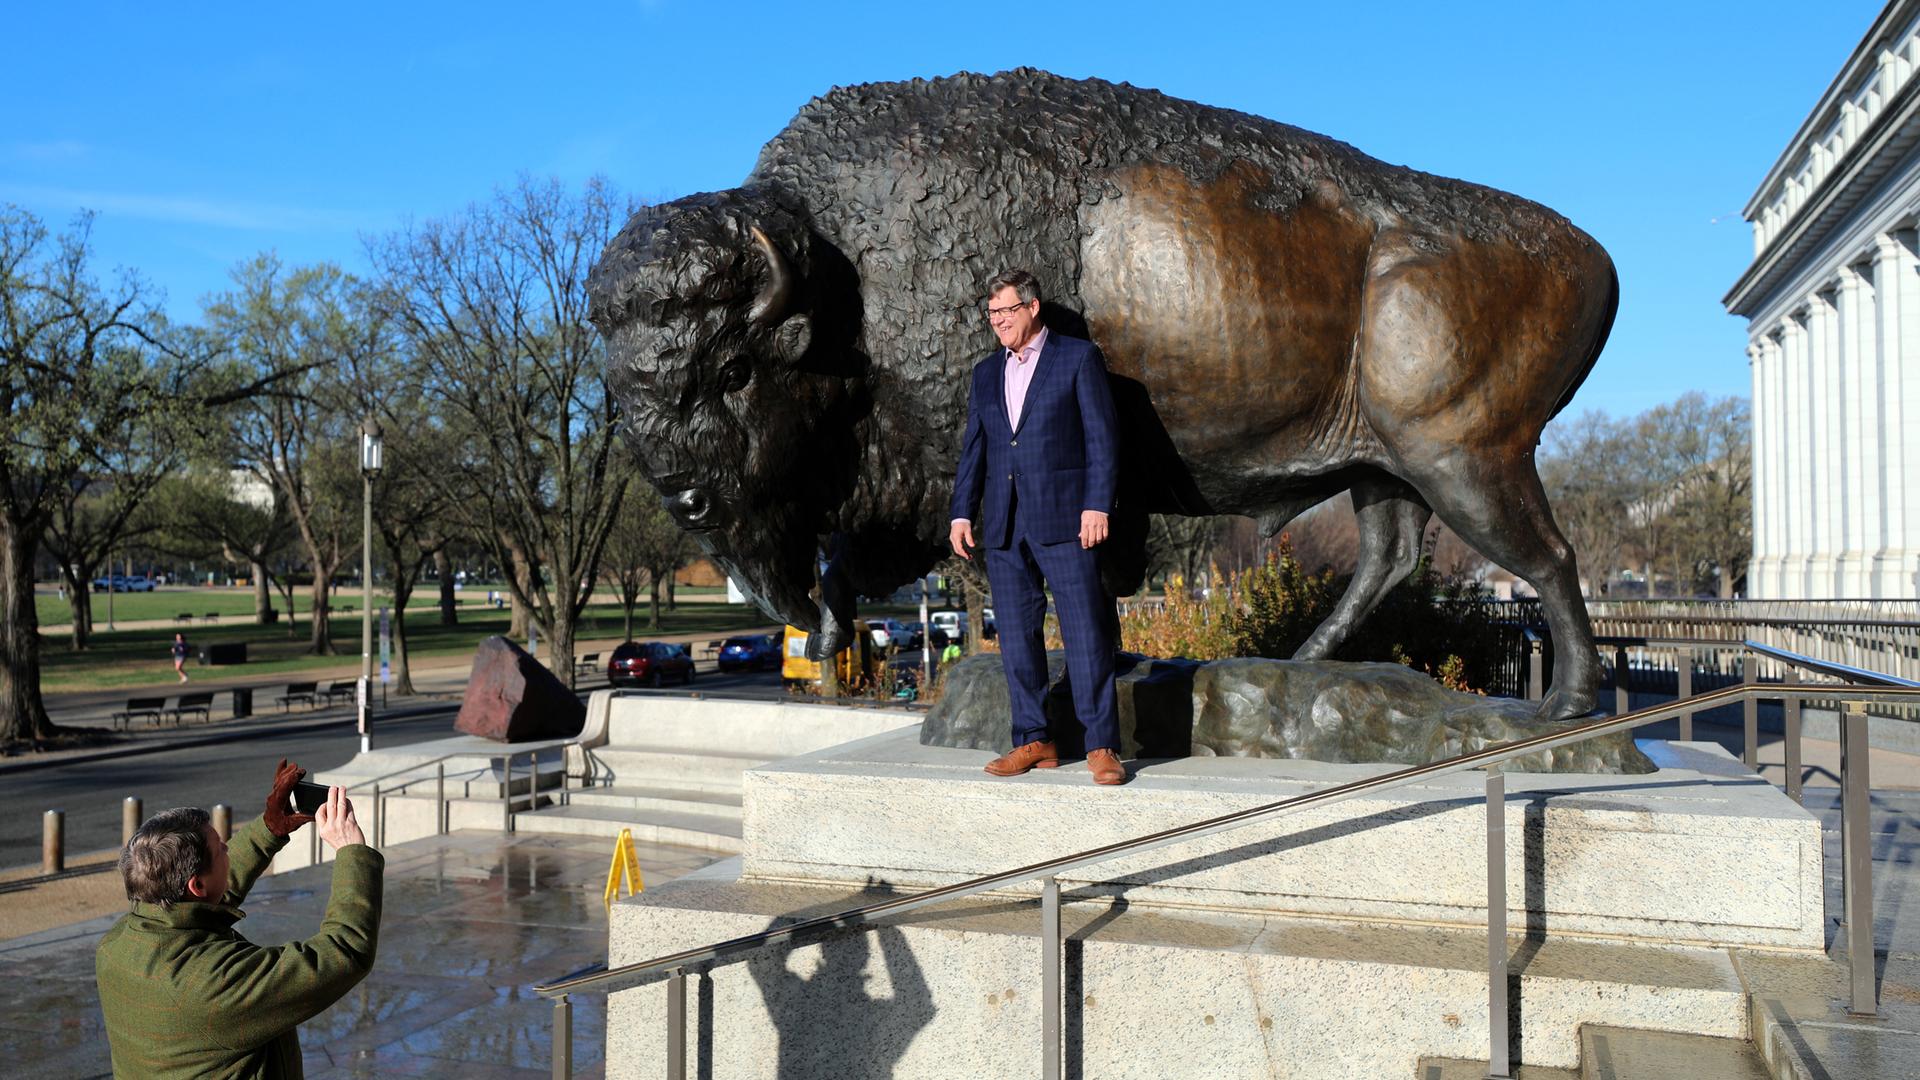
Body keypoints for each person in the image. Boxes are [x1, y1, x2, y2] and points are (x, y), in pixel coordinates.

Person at [950, 268, 1126, 785]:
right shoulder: (985, 373)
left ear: (1032, 307)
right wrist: (963, 511)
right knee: (1017, 639)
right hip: (1004, 524)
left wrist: (1098, 505)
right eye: (991, 314)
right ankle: (1034, 739)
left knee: (1085, 632)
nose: (998, 321)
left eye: (1006, 310)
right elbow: (975, 449)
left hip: (1068, 519)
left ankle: (1101, 745)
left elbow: (1102, 439)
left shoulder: (1077, 358)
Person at [96, 760, 383, 1078]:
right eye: (221, 851)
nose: (228, 851)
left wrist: (269, 830)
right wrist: (351, 850)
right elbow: (345, 952)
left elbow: (199, 906)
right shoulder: (215, 983)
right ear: (197, 885)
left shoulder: (118, 941)